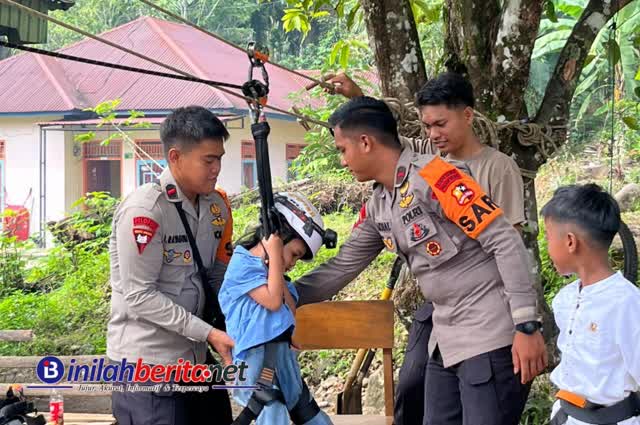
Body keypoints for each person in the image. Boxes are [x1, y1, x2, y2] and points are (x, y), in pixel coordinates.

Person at [295, 96, 547, 425]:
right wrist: (287, 295)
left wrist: (527, 325)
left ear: (366, 142)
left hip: (488, 331)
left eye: (343, 150)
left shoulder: (438, 177)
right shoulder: (380, 204)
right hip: (445, 338)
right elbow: (343, 265)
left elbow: (504, 239)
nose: (342, 161)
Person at [107, 106, 235, 425]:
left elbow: (214, 275)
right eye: (208, 160)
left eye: (219, 158)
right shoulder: (146, 211)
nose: (217, 169)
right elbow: (139, 295)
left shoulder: (216, 206)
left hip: (196, 360)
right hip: (149, 369)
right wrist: (209, 333)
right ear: (175, 157)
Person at [219, 192, 333, 425]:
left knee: (304, 407)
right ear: (278, 238)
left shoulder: (276, 276)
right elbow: (272, 301)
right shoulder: (242, 264)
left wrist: (276, 266)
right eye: (294, 254)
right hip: (253, 358)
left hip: (280, 353)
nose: (292, 263)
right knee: (271, 409)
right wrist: (274, 257)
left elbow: (289, 308)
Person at [541, 184, 640, 425]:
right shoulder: (564, 299)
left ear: (570, 242)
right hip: (565, 416)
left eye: (548, 237)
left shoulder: (626, 304)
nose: (546, 244)